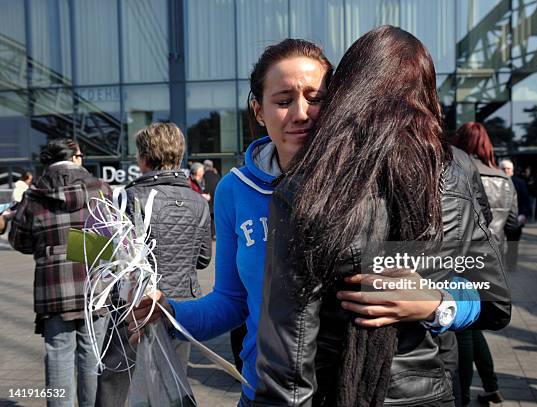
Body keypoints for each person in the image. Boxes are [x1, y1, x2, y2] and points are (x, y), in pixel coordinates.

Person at [128, 37, 484, 406]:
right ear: (258, 110)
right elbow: (234, 301)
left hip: (347, 392)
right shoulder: (235, 189)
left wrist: (438, 304)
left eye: (316, 99)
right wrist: (171, 314)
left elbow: (475, 288)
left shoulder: (371, 182)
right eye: (283, 101)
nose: (301, 113)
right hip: (266, 393)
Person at [254, 26, 510, 406]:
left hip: (336, 391)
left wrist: (432, 302)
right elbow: (495, 301)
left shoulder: (311, 182)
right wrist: (438, 304)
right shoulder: (454, 169)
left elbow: (291, 347)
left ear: (347, 90)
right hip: (429, 394)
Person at [95, 123, 212, 406]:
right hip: (180, 308)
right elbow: (203, 259)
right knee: (170, 388)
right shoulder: (199, 201)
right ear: (179, 156)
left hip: (134, 308)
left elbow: (106, 255)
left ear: (144, 158)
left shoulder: (128, 198)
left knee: (122, 388)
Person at [9, 138, 111, 407]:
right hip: (95, 288)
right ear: (76, 157)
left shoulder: (33, 195)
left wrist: (53, 249)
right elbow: (114, 235)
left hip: (54, 288)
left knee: (58, 355)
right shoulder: (101, 189)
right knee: (92, 357)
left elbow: (19, 240)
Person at [452, 123, 518, 406]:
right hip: (492, 260)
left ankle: (462, 396)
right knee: (474, 328)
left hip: (463, 261)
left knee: (464, 332)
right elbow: (513, 222)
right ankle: (491, 387)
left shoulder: (459, 171)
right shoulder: (504, 179)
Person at [500, 159, 532, 273]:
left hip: (515, 218)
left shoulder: (520, 183)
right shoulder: (495, 182)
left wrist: (523, 214)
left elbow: (525, 200)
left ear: (512, 171)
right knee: (498, 244)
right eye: (503, 169)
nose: (506, 171)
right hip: (499, 220)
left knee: (513, 244)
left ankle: (511, 265)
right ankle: (499, 266)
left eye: (508, 169)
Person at [203, 159, 220, 240]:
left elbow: (204, 188)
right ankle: (215, 234)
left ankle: (210, 234)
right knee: (214, 218)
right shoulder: (217, 175)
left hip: (207, 200)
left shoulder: (204, 176)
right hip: (216, 200)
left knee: (208, 219)